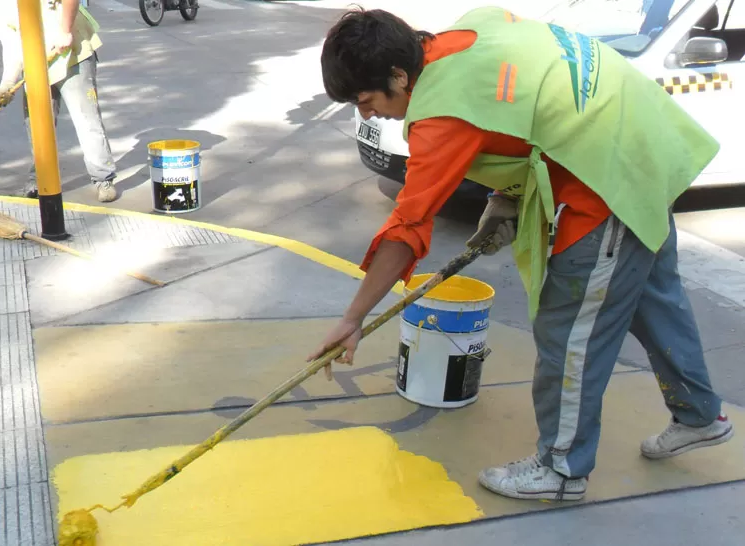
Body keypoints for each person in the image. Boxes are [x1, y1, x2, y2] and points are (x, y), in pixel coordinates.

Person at [308, 6, 734, 501]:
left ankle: (561, 469)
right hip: (642, 145)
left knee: (568, 332)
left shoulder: (442, 114)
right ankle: (700, 416)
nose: (366, 113)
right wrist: (504, 196)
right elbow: (526, 104)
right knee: (651, 297)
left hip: (604, 182)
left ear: (399, 76)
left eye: (366, 99)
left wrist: (353, 317)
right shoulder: (474, 29)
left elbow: (407, 228)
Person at [0, 0, 118, 202]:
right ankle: (40, 177)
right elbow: (11, 43)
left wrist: (65, 30)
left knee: (86, 119)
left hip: (71, 51)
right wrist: (7, 83)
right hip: (36, 62)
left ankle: (103, 178)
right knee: (37, 124)